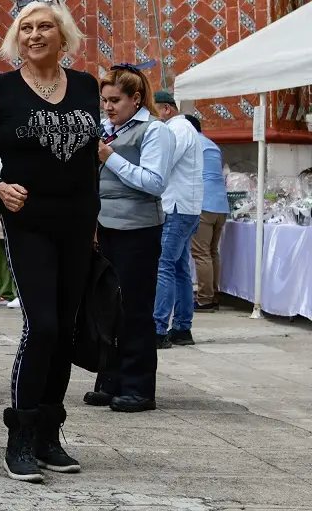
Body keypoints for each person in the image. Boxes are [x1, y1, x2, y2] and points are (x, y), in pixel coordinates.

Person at [0, 0, 102, 483]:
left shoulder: (88, 86)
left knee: (65, 329)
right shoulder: (2, 89)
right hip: (29, 222)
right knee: (42, 325)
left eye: (44, 26)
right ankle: (20, 435)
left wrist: (93, 218)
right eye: (25, 28)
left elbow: (90, 158)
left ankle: (49, 433)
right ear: (15, 39)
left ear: (62, 35)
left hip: (77, 221)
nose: (34, 35)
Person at [84, 66, 175, 413]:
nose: (107, 107)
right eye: (104, 100)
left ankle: (138, 387)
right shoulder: (108, 129)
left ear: (135, 99)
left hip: (138, 230)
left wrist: (110, 157)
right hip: (105, 227)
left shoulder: (154, 132)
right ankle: (110, 379)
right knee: (107, 307)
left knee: (135, 309)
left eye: (115, 100)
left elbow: (154, 182)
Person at [151, 91, 203, 347]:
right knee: (180, 269)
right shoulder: (182, 128)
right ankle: (182, 328)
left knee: (164, 266)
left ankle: (159, 329)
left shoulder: (177, 129)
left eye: (154, 110)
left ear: (167, 109)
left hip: (177, 207)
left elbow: (163, 162)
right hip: (186, 207)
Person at [187, 115, 228, 312]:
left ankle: (205, 299)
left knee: (201, 253)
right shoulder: (212, 145)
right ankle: (213, 293)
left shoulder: (192, 143)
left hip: (203, 203)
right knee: (212, 252)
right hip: (220, 205)